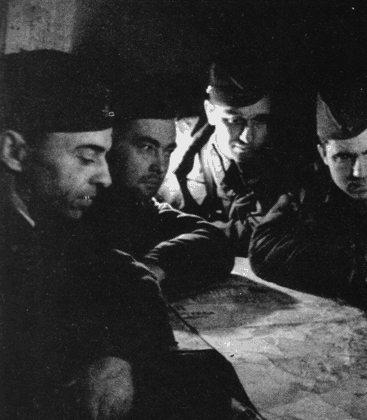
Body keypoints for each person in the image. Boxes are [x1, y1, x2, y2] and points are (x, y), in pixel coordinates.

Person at [0, 50, 258, 420]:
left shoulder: (42, 222)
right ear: (14, 151)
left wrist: (115, 354)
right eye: (86, 157)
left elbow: (130, 280)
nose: (104, 177)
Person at [249, 74, 367, 317]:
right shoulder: (314, 188)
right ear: (323, 155)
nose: (359, 172)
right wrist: (353, 263)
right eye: (343, 157)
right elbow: (264, 249)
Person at [85, 81, 234, 297]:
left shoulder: (138, 206)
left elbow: (215, 241)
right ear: (110, 145)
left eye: (167, 151)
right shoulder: (78, 206)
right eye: (147, 148)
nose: (160, 167)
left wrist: (156, 264)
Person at [160, 57, 300, 256]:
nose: (247, 136)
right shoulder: (173, 159)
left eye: (259, 120)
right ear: (210, 112)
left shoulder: (287, 161)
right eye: (235, 120)